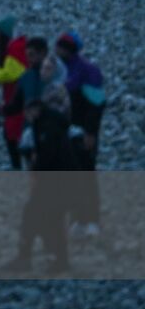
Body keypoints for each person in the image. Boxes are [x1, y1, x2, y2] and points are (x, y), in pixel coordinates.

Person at [15, 85, 78, 273]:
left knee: (45, 218)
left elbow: (47, 155)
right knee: (44, 218)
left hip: (56, 181)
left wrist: (36, 172)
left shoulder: (46, 127)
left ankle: (49, 259)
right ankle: (51, 258)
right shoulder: (49, 123)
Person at [57, 31, 105, 235]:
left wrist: (90, 132)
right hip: (67, 131)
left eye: (61, 47)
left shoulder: (89, 72)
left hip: (84, 131)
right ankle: (77, 218)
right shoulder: (60, 70)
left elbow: (97, 104)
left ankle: (91, 219)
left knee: (86, 174)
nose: (57, 50)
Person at [0, 17, 29, 169]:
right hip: (17, 98)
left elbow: (9, 74)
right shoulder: (19, 46)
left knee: (13, 136)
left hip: (16, 100)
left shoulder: (14, 48)